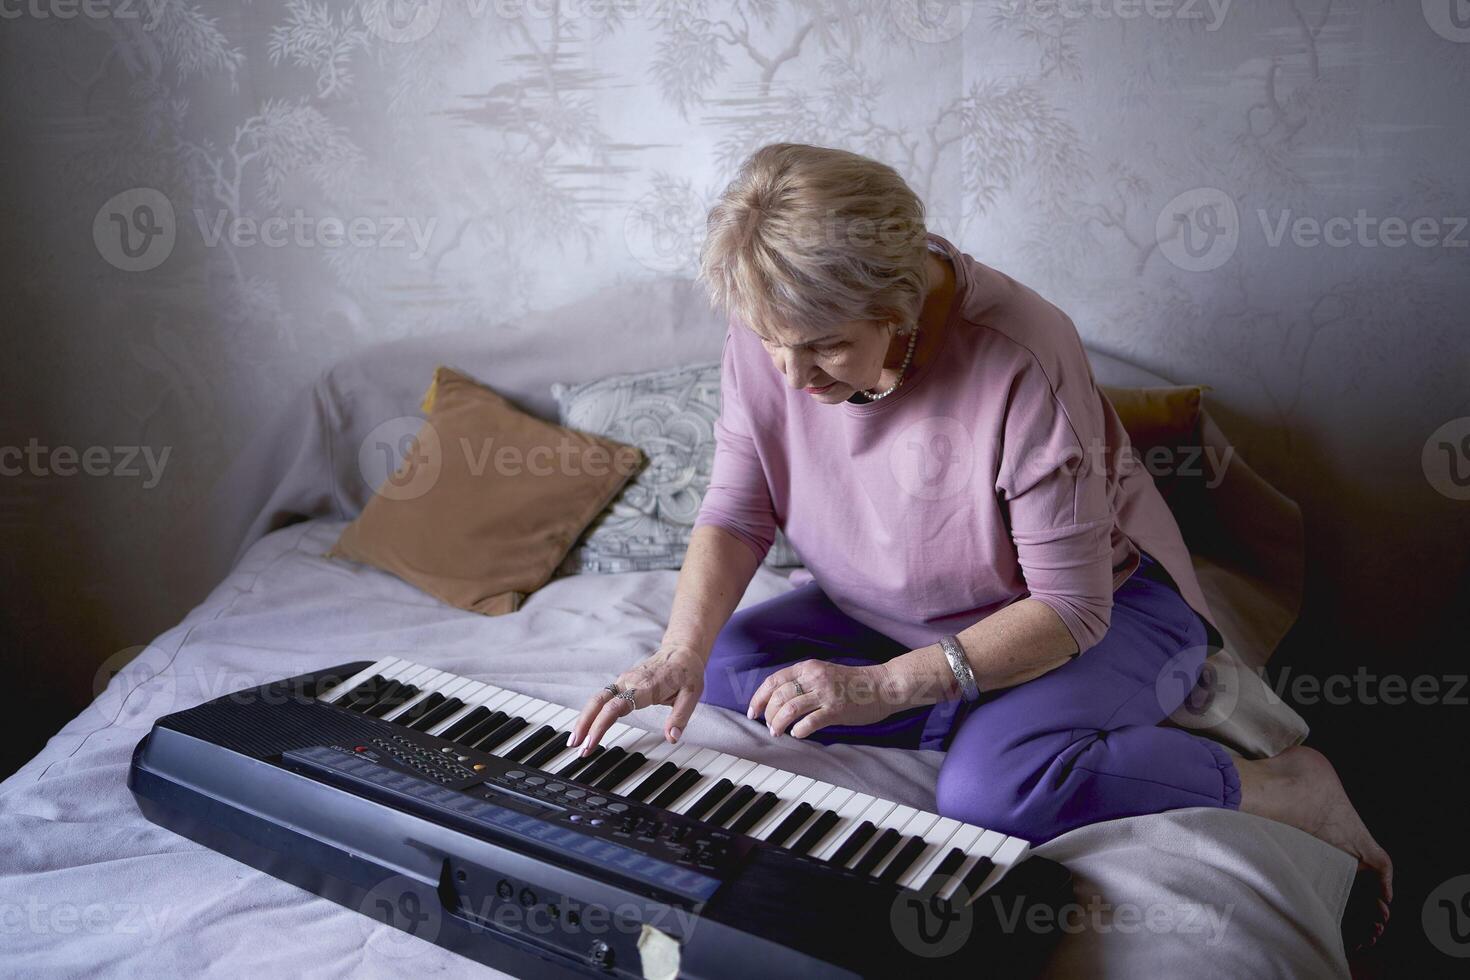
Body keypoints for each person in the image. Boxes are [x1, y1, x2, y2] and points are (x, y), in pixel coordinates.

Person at [567, 143, 1390, 947]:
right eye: (771, 343)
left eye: (823, 347)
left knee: (992, 794)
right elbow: (738, 513)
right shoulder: (778, 321)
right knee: (726, 665)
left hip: (1102, 605)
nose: (790, 377)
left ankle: (1286, 788)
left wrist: (888, 686)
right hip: (896, 607)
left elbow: (1072, 604)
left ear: (897, 307)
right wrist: (678, 652)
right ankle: (992, 710)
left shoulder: (1021, 354)